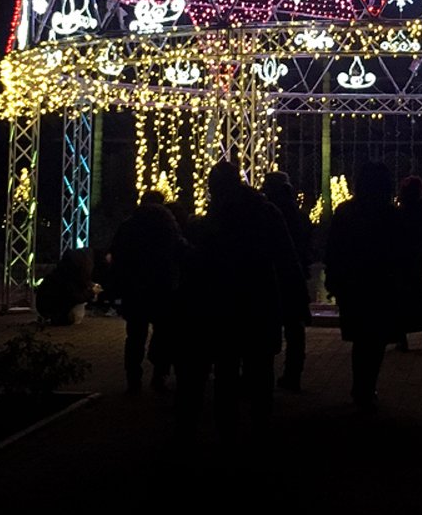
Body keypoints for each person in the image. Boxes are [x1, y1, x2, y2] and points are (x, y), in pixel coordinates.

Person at [178, 160, 309, 443]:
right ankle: (259, 428)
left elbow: (200, 263)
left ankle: (229, 430)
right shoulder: (265, 211)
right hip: (259, 301)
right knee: (259, 369)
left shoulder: (215, 218)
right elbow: (286, 258)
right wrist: (296, 297)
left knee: (227, 369)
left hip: (225, 304)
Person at [324, 161, 419, 409]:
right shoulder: (391, 214)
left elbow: (333, 249)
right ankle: (366, 387)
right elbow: (403, 253)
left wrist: (334, 279)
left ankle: (361, 387)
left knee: (361, 338)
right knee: (374, 339)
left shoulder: (346, 212)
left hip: (354, 284)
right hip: (381, 285)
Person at [108, 189, 190, 393]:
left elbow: (117, 254)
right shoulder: (167, 223)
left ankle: (133, 379)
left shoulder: (129, 225)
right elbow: (181, 250)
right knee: (163, 332)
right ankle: (159, 374)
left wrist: (118, 284)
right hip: (162, 286)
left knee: (135, 335)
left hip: (135, 287)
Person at [262, 170, 313, 391]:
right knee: (294, 328)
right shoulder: (298, 213)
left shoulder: (267, 212)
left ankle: (263, 375)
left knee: (268, 325)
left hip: (273, 274)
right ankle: (293, 375)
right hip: (293, 274)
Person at [395, 174, 422, 352]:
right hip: (419, 257)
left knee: (401, 299)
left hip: (402, 260)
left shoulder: (399, 213)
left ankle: (403, 339)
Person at [35, 247, 98, 326]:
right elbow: (77, 297)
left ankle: (51, 317)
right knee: (77, 309)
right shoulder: (68, 279)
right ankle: (59, 318)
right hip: (52, 308)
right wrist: (92, 292)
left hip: (44, 306)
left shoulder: (61, 272)